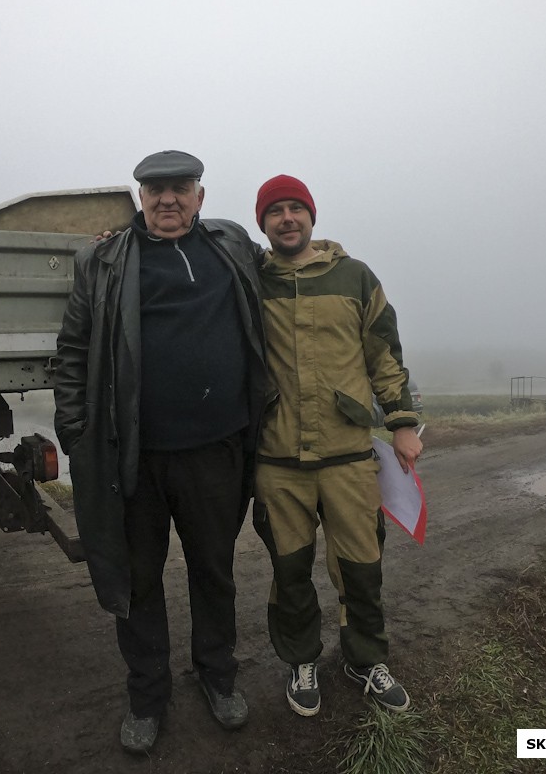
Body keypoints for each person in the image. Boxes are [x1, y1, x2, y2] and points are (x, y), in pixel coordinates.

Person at [53, 150, 266, 754]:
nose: (167, 199)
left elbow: (288, 270)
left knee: (214, 571)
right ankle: (147, 697)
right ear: (138, 197)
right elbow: (71, 353)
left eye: (180, 188)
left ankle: (218, 678)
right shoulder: (103, 261)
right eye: (155, 190)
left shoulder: (232, 246)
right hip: (133, 460)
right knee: (138, 582)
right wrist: (78, 436)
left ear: (201, 195)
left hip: (216, 451)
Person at [250, 174, 422, 717]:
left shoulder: (355, 277)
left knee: (361, 567)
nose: (287, 219)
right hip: (278, 459)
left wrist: (402, 422)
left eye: (296, 208)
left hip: (347, 455)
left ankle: (365, 660)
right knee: (290, 570)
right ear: (263, 223)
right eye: (275, 211)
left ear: (312, 216)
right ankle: (301, 661)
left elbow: (384, 354)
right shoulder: (250, 280)